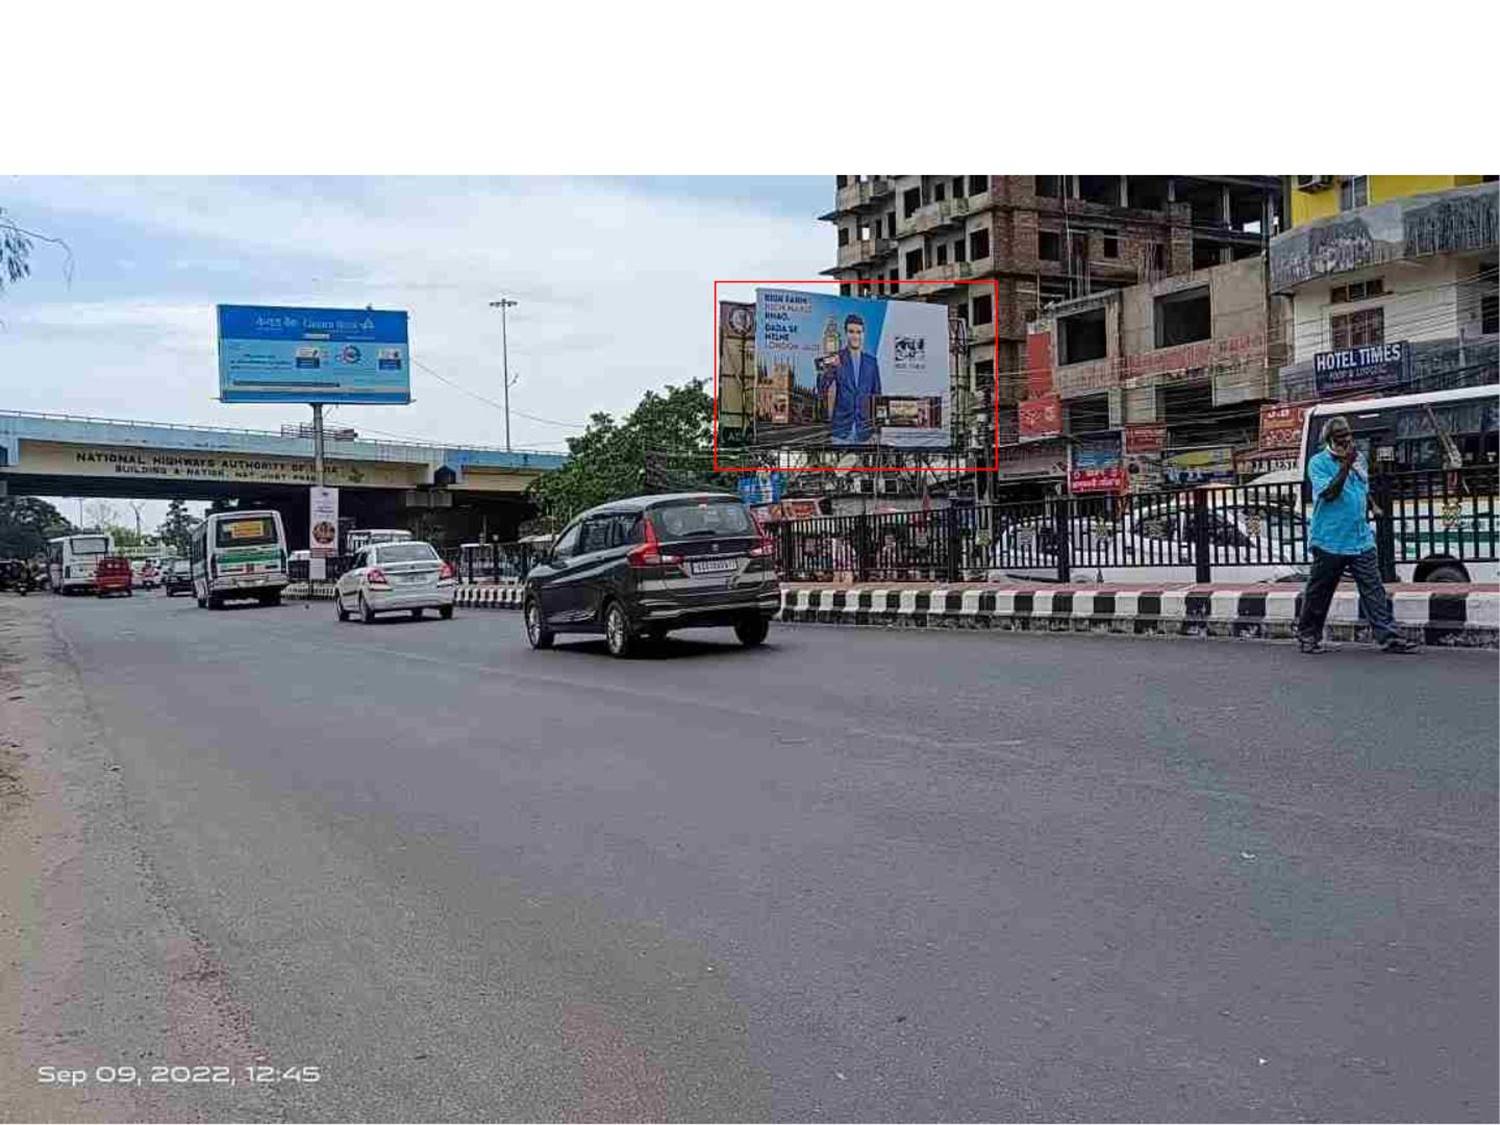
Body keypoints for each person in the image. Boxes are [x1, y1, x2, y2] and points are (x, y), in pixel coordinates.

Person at [1296, 415, 1418, 655]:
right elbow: (1329, 493)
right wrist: (1344, 465)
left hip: (1360, 538)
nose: (1346, 440)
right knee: (1319, 592)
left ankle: (1388, 637)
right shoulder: (1318, 463)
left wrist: (1372, 504)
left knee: (1374, 590)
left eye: (1348, 434)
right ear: (1330, 439)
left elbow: (1361, 486)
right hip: (1330, 540)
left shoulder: (1359, 458)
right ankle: (1308, 636)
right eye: (1340, 436)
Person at [817, 314, 882, 443]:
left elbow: (877, 397)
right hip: (841, 431)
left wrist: (877, 431)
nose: (855, 336)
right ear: (846, 333)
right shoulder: (836, 358)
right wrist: (829, 369)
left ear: (863, 334)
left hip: (865, 432)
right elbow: (822, 388)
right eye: (851, 332)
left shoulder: (872, 362)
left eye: (858, 332)